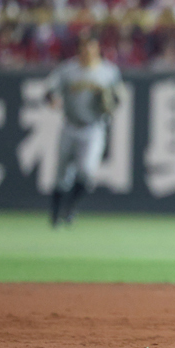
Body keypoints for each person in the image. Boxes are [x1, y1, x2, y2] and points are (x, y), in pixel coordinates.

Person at [46, 34, 122, 227]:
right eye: (84, 46)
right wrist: (52, 99)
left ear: (97, 48)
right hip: (70, 126)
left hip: (93, 128)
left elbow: (117, 100)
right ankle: (55, 214)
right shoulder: (67, 70)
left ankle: (70, 207)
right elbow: (50, 90)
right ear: (79, 49)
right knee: (62, 174)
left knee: (87, 172)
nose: (87, 50)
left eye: (91, 46)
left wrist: (109, 103)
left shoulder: (108, 72)